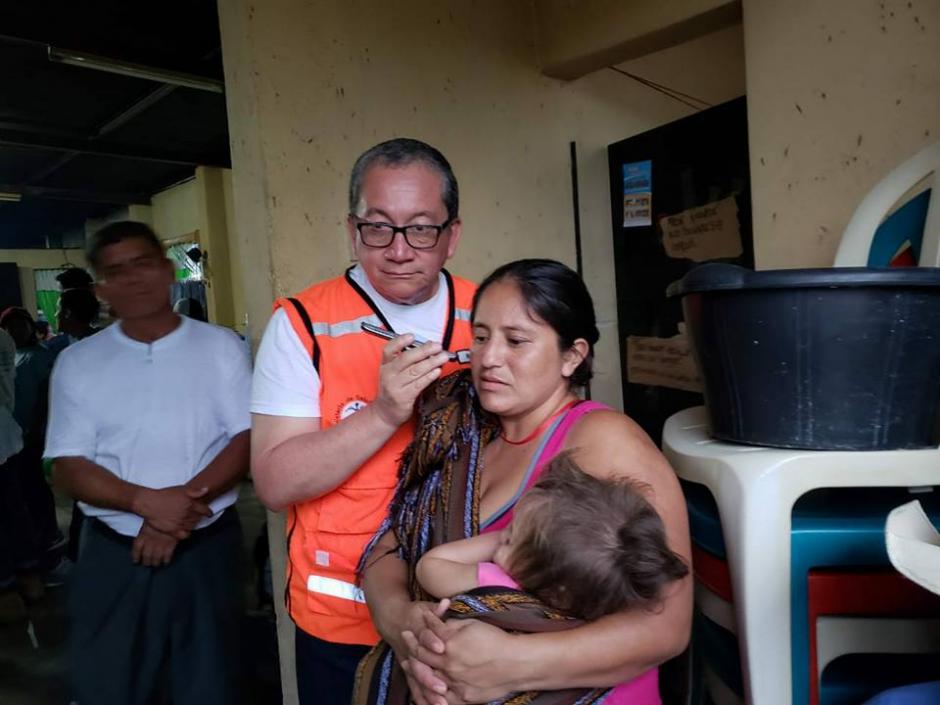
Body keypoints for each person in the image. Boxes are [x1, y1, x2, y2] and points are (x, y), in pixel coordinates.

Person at [358, 259, 693, 705]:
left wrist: (509, 663)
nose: (489, 358)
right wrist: (407, 627)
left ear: (572, 356)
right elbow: (390, 547)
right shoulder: (462, 433)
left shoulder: (603, 442)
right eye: (481, 337)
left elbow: (667, 625)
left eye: (516, 341)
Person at [250, 137, 475, 705]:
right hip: (342, 620)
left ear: (451, 235)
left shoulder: (490, 314)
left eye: (420, 228)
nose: (398, 250)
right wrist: (384, 413)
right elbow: (274, 483)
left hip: (470, 612)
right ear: (353, 231)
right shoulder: (303, 324)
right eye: (378, 227)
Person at [45, 220, 252, 705]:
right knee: (111, 685)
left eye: (143, 263)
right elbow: (68, 465)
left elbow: (247, 438)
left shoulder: (220, 347)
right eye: (117, 271)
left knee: (210, 686)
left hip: (205, 549)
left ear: (166, 270)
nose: (134, 278)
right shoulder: (79, 363)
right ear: (101, 289)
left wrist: (173, 519)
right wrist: (146, 504)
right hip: (114, 553)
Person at [416, 451, 689, 622]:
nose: (504, 536)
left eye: (512, 537)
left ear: (556, 588)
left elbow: (429, 568)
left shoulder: (496, 584)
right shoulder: (585, 611)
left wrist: (496, 539)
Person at [46, 287, 101, 360]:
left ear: (67, 313)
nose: (55, 315)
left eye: (59, 309)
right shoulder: (102, 340)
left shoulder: (54, 347)